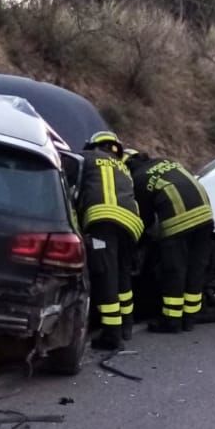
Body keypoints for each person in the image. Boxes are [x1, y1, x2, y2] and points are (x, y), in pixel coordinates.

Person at [125, 150, 214, 333]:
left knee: (175, 270)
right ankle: (189, 318)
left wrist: (136, 244)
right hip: (206, 216)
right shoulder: (167, 161)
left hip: (178, 222)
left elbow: (144, 218)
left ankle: (172, 321)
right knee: (196, 268)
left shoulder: (139, 179)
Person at [79, 131, 145, 350]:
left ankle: (111, 335)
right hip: (131, 226)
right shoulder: (123, 167)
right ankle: (126, 325)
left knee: (105, 275)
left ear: (93, 145)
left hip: (102, 221)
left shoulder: (87, 158)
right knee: (122, 275)